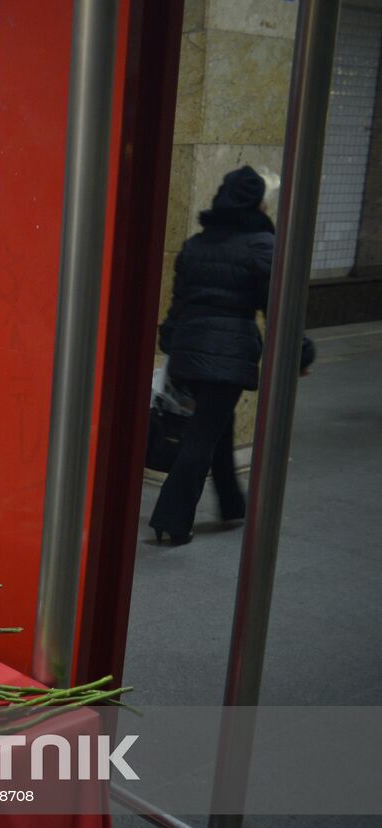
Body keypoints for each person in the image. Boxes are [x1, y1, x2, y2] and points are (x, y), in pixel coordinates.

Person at [149, 164, 307, 545]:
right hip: (229, 355)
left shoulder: (196, 245)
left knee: (217, 424)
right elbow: (278, 307)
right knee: (202, 435)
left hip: (190, 351)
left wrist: (170, 342)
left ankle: (232, 504)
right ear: (258, 205)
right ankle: (171, 517)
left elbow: (178, 303)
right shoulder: (262, 246)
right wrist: (300, 351)